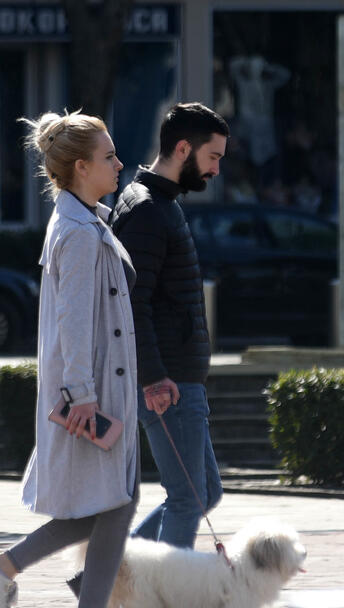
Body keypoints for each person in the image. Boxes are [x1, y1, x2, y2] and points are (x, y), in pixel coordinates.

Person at [0, 110, 136, 608]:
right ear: (81, 167)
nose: (119, 164)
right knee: (111, 505)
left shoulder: (82, 220)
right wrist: (82, 395)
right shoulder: (78, 231)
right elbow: (71, 322)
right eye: (108, 157)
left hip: (101, 386)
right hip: (92, 392)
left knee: (112, 505)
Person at [111, 103, 229, 551]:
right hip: (171, 383)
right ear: (183, 148)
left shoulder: (155, 203)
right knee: (188, 498)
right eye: (213, 157)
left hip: (178, 378)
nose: (217, 169)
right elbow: (131, 304)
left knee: (205, 493)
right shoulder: (148, 210)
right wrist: (154, 378)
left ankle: (106, 575)